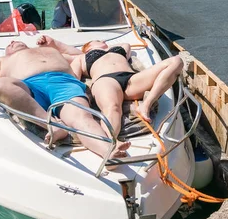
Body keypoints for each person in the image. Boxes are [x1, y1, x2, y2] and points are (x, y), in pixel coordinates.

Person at [0, 41, 130, 159]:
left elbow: (82, 56)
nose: (12, 41)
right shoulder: (2, 60)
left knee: (81, 118)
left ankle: (108, 150)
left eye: (15, 41)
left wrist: (55, 43)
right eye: (9, 44)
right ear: (6, 52)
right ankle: (52, 124)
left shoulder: (48, 50)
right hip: (29, 86)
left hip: (64, 83)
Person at [37, 35, 183, 141]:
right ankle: (110, 142)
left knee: (176, 61)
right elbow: (71, 75)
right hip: (105, 80)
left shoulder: (123, 48)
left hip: (131, 79)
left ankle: (146, 104)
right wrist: (53, 44)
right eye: (97, 40)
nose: (103, 41)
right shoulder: (80, 58)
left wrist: (102, 46)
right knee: (113, 108)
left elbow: (126, 45)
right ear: (88, 47)